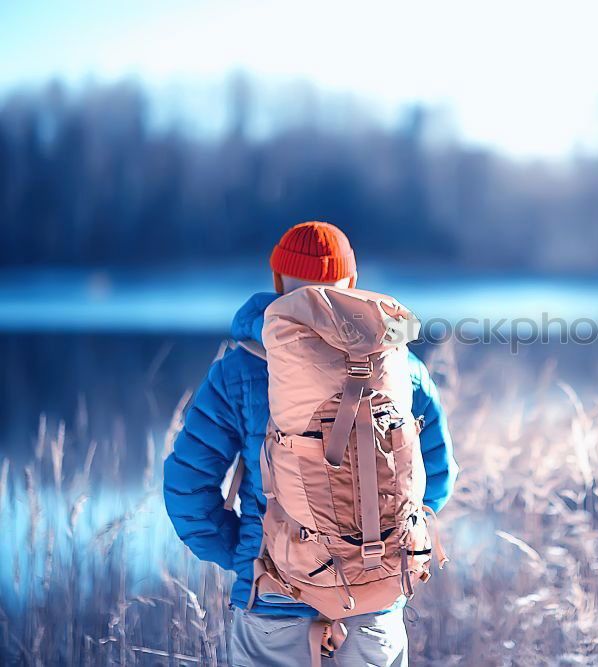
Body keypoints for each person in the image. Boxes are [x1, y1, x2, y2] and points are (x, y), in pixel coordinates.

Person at [163, 221, 458, 666]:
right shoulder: (400, 367)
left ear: (278, 282)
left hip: (275, 591)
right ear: (353, 284)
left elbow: (187, 490)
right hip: (376, 590)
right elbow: (436, 477)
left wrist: (246, 554)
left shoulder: (239, 370)